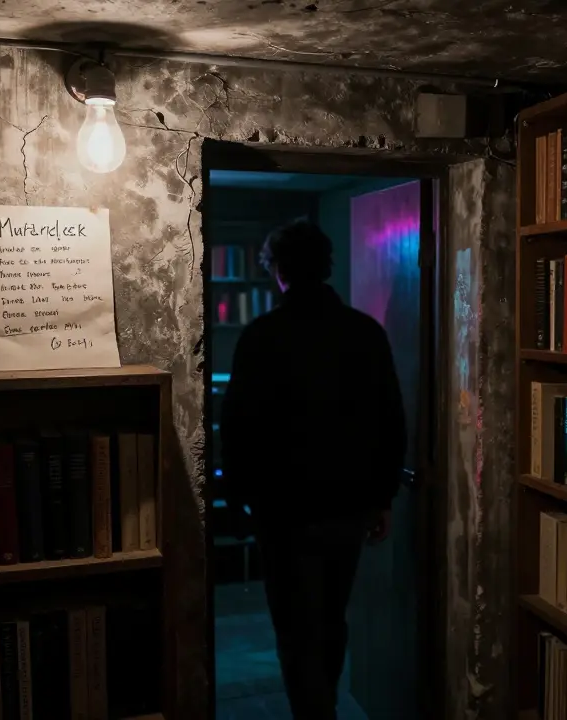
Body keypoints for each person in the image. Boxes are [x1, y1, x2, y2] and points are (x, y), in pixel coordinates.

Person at [220, 219, 407, 720]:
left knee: (293, 626)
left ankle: (314, 712)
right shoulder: (364, 332)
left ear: (277, 270)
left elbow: (235, 425)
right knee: (330, 619)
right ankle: (321, 705)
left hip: (282, 510)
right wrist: (383, 496)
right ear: (325, 267)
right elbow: (389, 419)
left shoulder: (261, 336)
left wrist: (238, 499)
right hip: (347, 505)